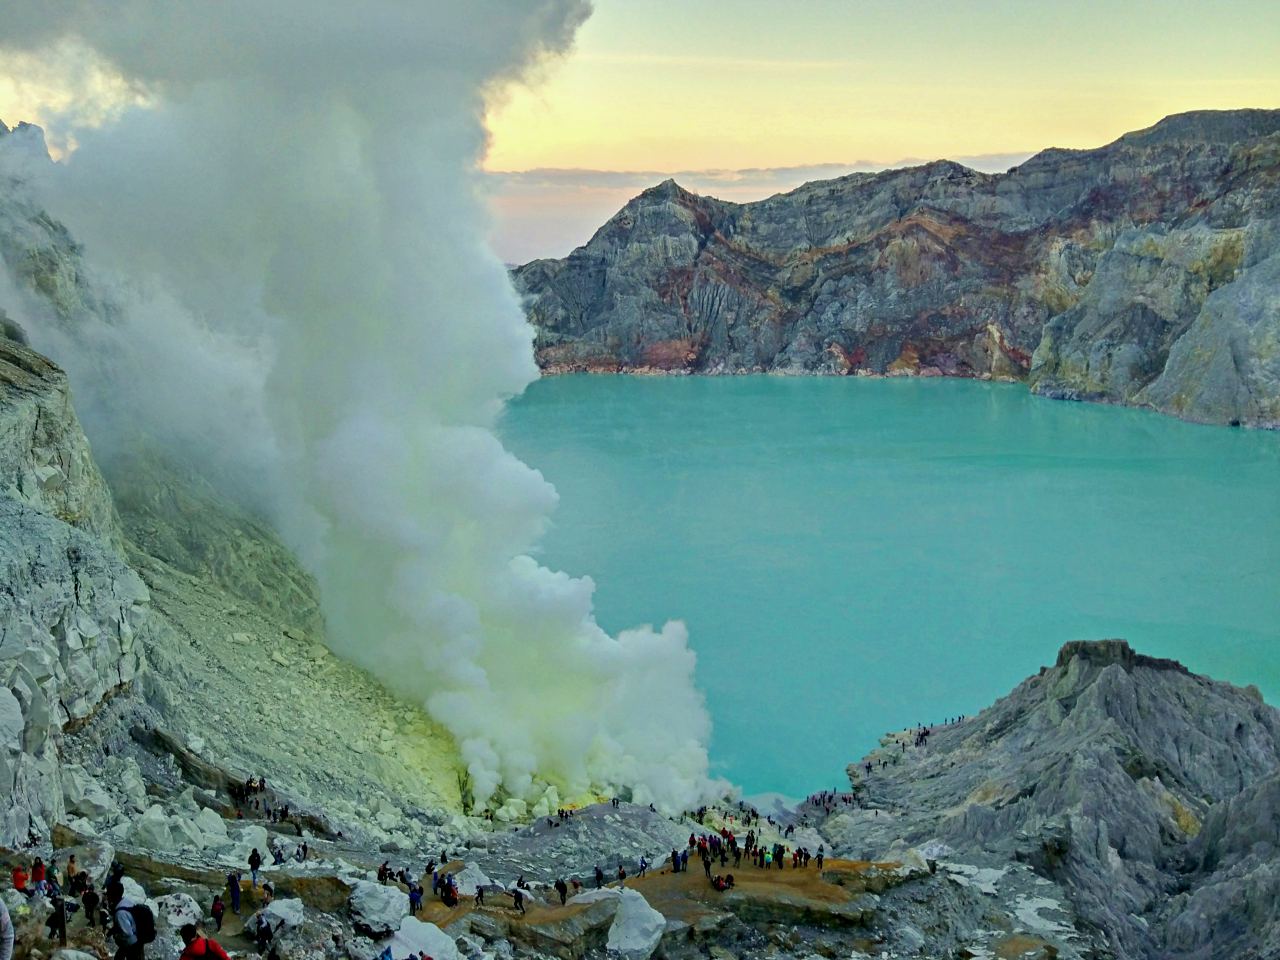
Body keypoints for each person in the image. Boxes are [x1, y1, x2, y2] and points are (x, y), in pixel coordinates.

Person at [107, 879, 145, 960]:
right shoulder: (126, 900)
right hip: (138, 936)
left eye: (108, 893)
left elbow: (127, 933)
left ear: (113, 895)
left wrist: (117, 936)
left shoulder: (120, 913)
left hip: (133, 944)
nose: (107, 896)